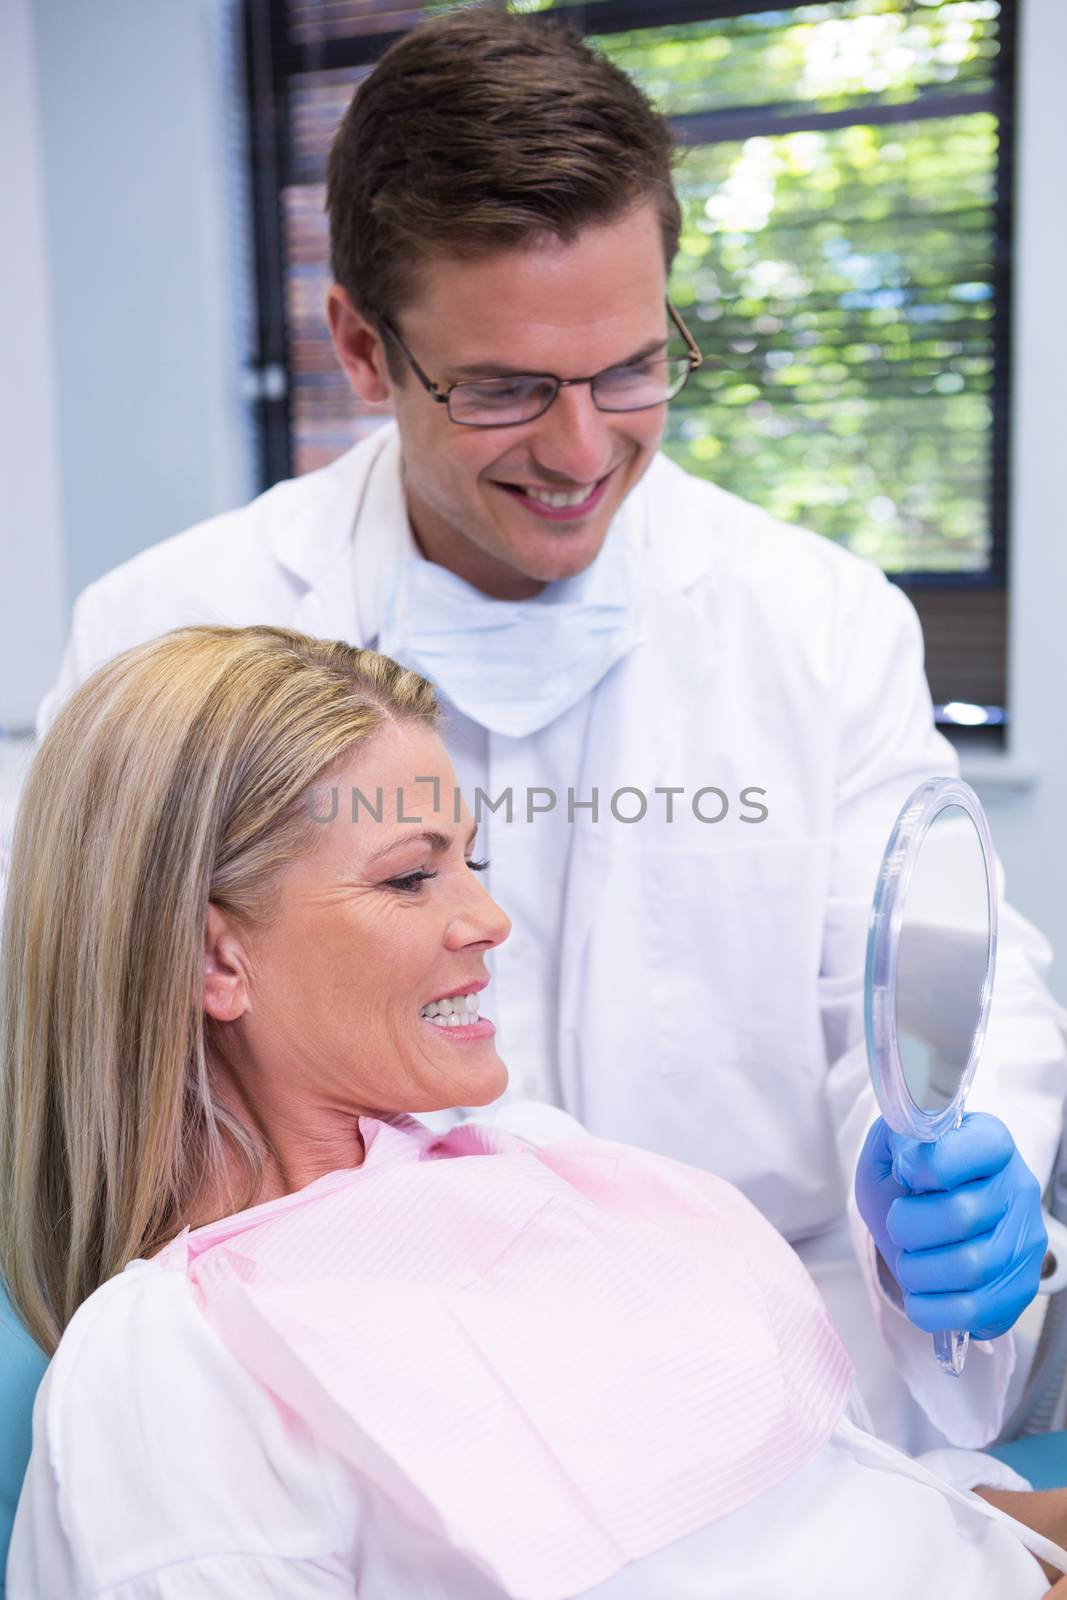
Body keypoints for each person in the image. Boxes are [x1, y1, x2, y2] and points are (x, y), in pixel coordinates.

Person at [3, 10, 1062, 1461]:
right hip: (342, 1397)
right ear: (362, 351)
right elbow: (87, 1054)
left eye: (630, 370)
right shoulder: (171, 630)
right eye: (502, 389)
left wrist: (953, 1150)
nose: (579, 452)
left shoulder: (813, 623)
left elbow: (932, 961)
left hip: (771, 1371)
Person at [2, 623, 1067, 1600]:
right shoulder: (172, 1374)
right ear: (212, 955)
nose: (489, 917)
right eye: (412, 878)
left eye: (474, 859)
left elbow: (832, 1503)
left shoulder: (529, 1158)